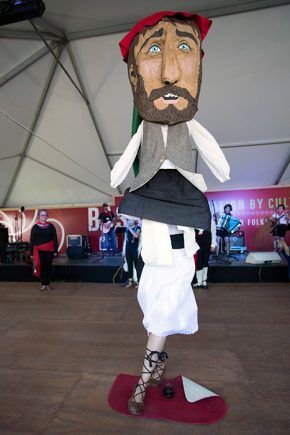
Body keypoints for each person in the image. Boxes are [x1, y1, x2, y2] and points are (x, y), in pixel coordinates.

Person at [111, 11, 230, 415]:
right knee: (155, 302)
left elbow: (212, 152)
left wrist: (219, 172)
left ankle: (146, 377)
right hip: (155, 232)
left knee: (163, 307)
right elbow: (125, 160)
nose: (169, 71)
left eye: (183, 48)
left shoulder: (187, 126)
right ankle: (157, 361)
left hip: (180, 235)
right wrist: (119, 179)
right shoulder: (145, 129)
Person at [30, 209, 58, 291]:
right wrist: (31, 252)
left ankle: (48, 284)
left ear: (47, 216)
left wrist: (56, 250)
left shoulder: (51, 226)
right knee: (41, 267)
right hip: (39, 250)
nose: (44, 217)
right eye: (42, 215)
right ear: (39, 216)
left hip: (50, 250)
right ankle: (43, 284)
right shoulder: (35, 227)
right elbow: (32, 240)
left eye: (45, 215)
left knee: (48, 267)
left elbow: (55, 239)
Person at [193, 218, 217, 289]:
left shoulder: (210, 219)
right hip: (197, 242)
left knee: (205, 261)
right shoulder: (194, 218)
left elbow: (213, 232)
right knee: (198, 261)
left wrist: (213, 244)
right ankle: (199, 282)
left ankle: (204, 281)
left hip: (207, 241)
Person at [124, 218, 141, 288]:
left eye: (130, 220)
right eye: (128, 220)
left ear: (134, 221)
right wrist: (123, 250)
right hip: (128, 248)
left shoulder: (138, 227)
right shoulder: (127, 229)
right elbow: (125, 239)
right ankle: (130, 281)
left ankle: (138, 282)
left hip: (134, 248)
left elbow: (136, 235)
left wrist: (130, 228)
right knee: (129, 265)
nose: (129, 221)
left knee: (137, 265)